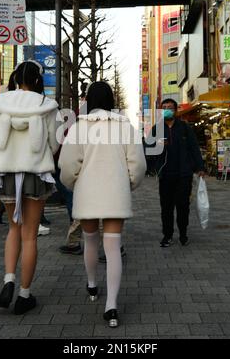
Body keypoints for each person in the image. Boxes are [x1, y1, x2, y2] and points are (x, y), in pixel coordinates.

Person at [59, 81, 146, 327]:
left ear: (89, 101)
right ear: (111, 101)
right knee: (113, 247)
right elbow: (138, 165)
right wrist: (128, 183)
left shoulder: (78, 127)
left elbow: (67, 165)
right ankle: (112, 306)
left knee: (89, 241)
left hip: (87, 192)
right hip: (115, 193)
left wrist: (73, 184)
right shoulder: (125, 126)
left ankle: (92, 285)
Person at [0, 60, 59, 315]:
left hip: (6, 171)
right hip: (35, 172)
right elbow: (53, 142)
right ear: (38, 80)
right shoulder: (46, 106)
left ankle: (8, 280)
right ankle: (25, 295)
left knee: (13, 230)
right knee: (30, 234)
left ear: (15, 78)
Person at [146, 98, 205, 248]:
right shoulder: (156, 129)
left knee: (183, 206)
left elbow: (194, 148)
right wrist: (158, 149)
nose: (167, 110)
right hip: (165, 175)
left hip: (184, 174)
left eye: (170, 107)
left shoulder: (185, 128)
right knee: (166, 207)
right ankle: (167, 235)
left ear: (175, 110)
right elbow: (148, 149)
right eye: (164, 107)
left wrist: (200, 167)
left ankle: (183, 234)